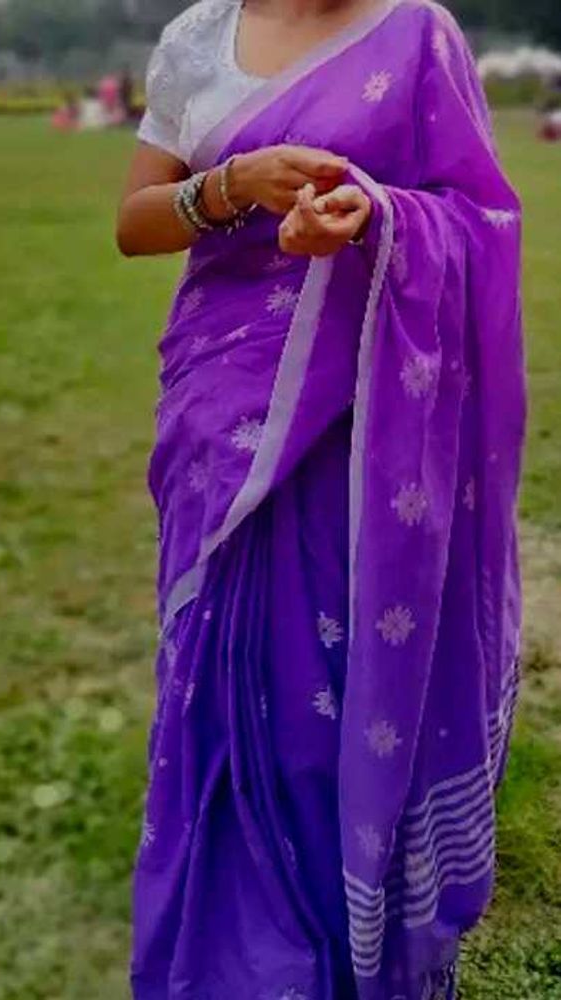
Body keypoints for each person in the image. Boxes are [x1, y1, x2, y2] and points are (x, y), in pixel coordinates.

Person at [117, 1, 526, 998]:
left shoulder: (418, 33)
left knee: (335, 678)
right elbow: (134, 225)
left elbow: (478, 219)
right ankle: (229, 939)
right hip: (221, 410)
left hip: (364, 417)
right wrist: (228, 188)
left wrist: (374, 219)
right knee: (223, 665)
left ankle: (346, 938)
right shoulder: (193, 41)